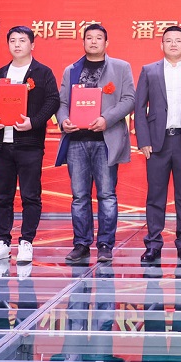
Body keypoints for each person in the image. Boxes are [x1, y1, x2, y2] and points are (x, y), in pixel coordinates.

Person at [55, 24, 135, 264]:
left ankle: (105, 244)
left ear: (106, 43)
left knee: (107, 195)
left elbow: (129, 99)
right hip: (76, 141)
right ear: (83, 42)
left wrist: (106, 119)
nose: (93, 41)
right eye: (89, 37)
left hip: (105, 140)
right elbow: (62, 102)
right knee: (79, 196)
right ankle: (81, 244)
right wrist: (64, 120)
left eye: (98, 38)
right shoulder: (71, 70)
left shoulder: (121, 67)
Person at [0, 25, 60, 264]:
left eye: (22, 40)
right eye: (13, 40)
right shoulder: (0, 73)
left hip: (29, 145)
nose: (17, 44)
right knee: (1, 197)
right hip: (1, 145)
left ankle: (26, 242)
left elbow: (53, 101)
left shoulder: (42, 72)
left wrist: (33, 122)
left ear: (32, 45)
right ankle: (2, 242)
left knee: (30, 195)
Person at [134, 25, 181, 263]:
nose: (174, 44)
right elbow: (139, 108)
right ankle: (153, 244)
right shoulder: (149, 71)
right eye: (169, 40)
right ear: (162, 45)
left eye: (178, 40)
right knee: (155, 196)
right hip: (157, 143)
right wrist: (143, 140)